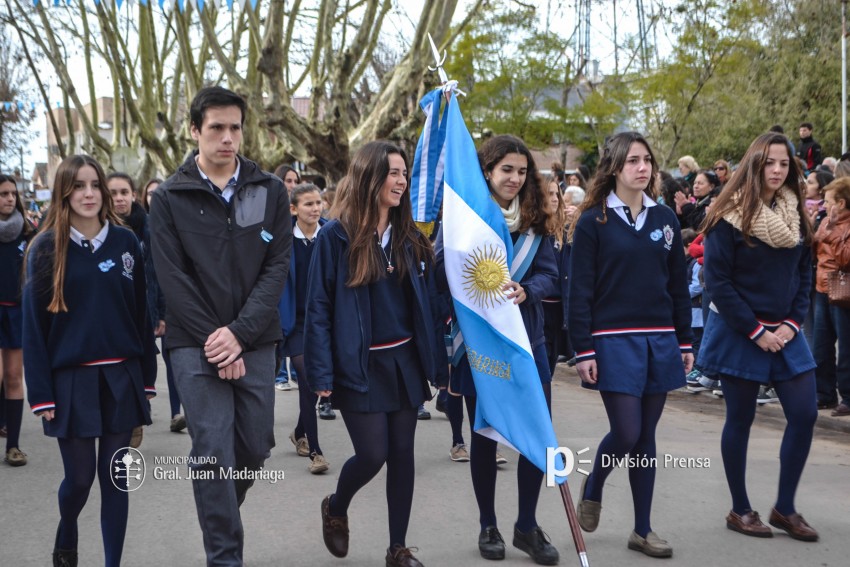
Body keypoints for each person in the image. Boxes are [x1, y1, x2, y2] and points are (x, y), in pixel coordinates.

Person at [149, 86, 292, 566]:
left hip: (254, 338)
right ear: (195, 131)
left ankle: (222, 508)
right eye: (216, 128)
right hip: (194, 342)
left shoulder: (269, 190)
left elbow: (276, 267)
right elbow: (173, 277)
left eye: (235, 127)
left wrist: (240, 335)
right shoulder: (169, 197)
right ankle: (225, 556)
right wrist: (218, 341)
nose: (228, 137)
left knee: (255, 446)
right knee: (211, 446)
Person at [306, 141, 447, 567]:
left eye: (404, 173)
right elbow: (318, 308)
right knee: (373, 454)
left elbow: (434, 297)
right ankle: (336, 504)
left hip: (404, 362)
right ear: (370, 176)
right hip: (359, 364)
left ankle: (397, 549)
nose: (401, 181)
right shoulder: (336, 236)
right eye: (393, 172)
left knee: (403, 454)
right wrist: (322, 373)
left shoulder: (410, 237)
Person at [22, 155, 157, 567]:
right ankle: (67, 530)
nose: (88, 194)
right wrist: (41, 394)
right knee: (79, 481)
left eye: (94, 185)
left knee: (117, 480)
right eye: (78, 186)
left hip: (121, 377)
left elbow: (141, 313)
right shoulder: (45, 248)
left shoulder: (127, 242)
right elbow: (33, 328)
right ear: (64, 193)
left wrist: (147, 378)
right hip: (71, 384)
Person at [568, 131, 694, 559]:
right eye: (633, 161)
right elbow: (579, 292)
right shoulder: (593, 222)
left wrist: (684, 338)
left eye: (647, 161)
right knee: (627, 430)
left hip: (659, 338)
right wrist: (582, 349)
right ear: (615, 168)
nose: (643, 168)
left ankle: (642, 529)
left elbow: (678, 284)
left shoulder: (666, 221)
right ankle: (595, 483)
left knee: (646, 438)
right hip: (611, 340)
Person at [438, 135, 561, 565]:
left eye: (522, 171)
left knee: (537, 436)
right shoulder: (463, 217)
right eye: (506, 169)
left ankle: (526, 524)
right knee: (484, 435)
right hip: (478, 343)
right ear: (487, 171)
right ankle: (487, 523)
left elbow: (552, 276)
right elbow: (441, 272)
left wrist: (528, 289)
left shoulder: (535, 221)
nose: (514, 178)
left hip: (529, 344)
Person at [699, 132, 819, 542]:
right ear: (754, 164)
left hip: (786, 329)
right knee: (741, 418)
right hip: (740, 330)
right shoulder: (726, 215)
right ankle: (740, 508)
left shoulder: (796, 214)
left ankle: (785, 509)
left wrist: (791, 323)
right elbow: (717, 280)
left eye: (784, 164)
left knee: (805, 413)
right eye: (770, 162)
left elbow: (804, 272)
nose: (777, 170)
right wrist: (756, 331)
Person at [279, 183, 330, 473]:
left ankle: (299, 431)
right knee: (309, 379)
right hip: (295, 323)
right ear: (293, 209)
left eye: (318, 203)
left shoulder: (331, 234)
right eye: (308, 204)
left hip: (324, 323)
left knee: (314, 387)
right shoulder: (283, 238)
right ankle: (316, 451)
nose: (315, 208)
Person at [0, 174, 36, 466]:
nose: (10, 198)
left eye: (12, 193)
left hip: (16, 311)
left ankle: (13, 446)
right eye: (3, 194)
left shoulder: (28, 231)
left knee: (14, 377)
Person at [812, 177, 850, 415]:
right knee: (821, 346)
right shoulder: (825, 220)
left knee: (845, 347)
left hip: (843, 289)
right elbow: (815, 247)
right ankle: (824, 394)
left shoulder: (840, 226)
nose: (824, 205)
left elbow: (846, 259)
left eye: (828, 201)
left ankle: (847, 396)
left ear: (842, 203)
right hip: (821, 288)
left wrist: (832, 232)